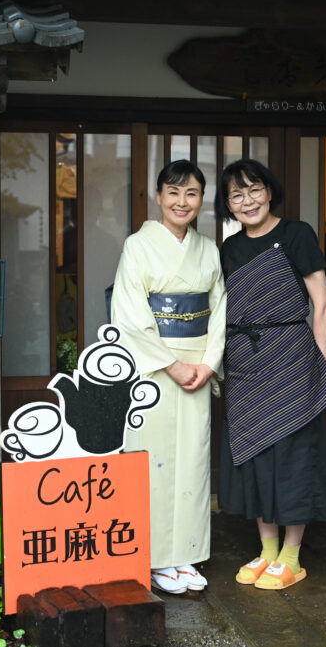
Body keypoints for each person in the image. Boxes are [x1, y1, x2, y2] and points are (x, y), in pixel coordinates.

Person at [214, 158, 326, 591]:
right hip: (244, 364)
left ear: (270, 191)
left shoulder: (295, 234)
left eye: (254, 189)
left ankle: (291, 555)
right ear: (228, 204)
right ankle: (267, 551)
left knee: (293, 459)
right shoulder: (229, 249)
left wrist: (317, 368)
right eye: (236, 194)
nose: (247, 200)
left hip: (291, 359)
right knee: (255, 455)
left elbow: (322, 305)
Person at [110, 159, 226, 595]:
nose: (182, 201)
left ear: (201, 200)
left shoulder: (209, 249)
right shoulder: (138, 246)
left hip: (197, 365)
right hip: (155, 370)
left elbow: (220, 311)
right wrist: (172, 365)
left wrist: (208, 363)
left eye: (191, 193)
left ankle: (186, 554)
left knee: (193, 462)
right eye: (173, 192)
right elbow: (130, 315)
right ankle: (155, 558)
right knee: (153, 461)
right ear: (158, 196)